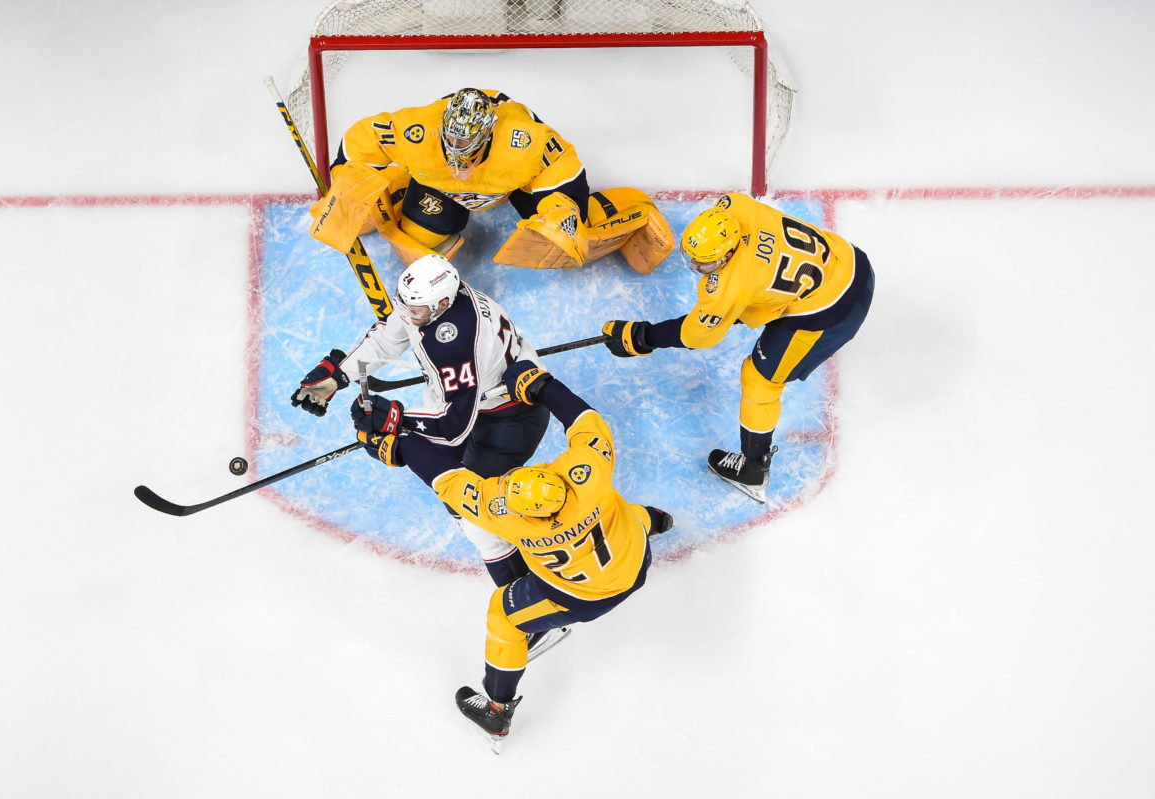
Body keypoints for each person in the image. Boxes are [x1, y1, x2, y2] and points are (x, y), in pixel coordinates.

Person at [354, 359, 673, 741]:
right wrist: (541, 385)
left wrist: (398, 445)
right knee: (625, 514)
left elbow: (446, 478)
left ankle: (497, 709)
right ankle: (657, 520)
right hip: (636, 557)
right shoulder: (586, 475)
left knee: (502, 617)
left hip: (586, 597)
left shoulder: (503, 512)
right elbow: (586, 420)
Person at [290, 253, 550, 588]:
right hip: (471, 397)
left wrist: (397, 421)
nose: (408, 315)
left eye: (415, 312)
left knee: (471, 509)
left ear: (443, 304)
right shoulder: (424, 302)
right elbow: (389, 336)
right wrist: (339, 376)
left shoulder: (455, 341)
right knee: (454, 490)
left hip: (510, 416)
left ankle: (533, 607)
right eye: (406, 306)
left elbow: (453, 427)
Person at [601, 192, 875, 503]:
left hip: (831, 310)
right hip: (850, 260)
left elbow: (698, 336)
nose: (694, 266)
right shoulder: (735, 206)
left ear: (728, 255)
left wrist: (642, 337)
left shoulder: (733, 283)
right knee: (759, 308)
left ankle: (754, 470)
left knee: (760, 379)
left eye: (703, 264)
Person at [306, 88, 673, 274]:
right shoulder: (416, 130)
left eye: (467, 148)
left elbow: (563, 163)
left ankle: (618, 207)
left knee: (566, 235)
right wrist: (345, 181)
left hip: (511, 185)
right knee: (418, 246)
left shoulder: (523, 141)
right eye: (450, 144)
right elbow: (362, 139)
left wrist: (561, 210)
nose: (457, 160)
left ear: (488, 136)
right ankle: (396, 185)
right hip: (438, 188)